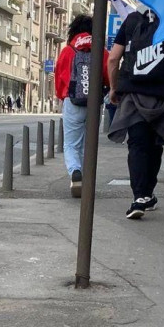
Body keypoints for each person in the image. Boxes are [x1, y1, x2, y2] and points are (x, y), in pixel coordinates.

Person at [107, 8, 164, 219]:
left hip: (134, 93)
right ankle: (147, 193)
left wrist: (113, 87)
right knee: (155, 144)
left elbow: (113, 58)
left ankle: (139, 197)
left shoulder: (132, 20)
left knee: (137, 144)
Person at [54, 14, 108, 197]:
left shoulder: (68, 50)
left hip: (73, 101)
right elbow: (108, 72)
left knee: (71, 144)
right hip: (94, 103)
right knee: (89, 143)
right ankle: (86, 179)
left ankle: (75, 172)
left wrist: (62, 96)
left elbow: (59, 76)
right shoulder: (100, 49)